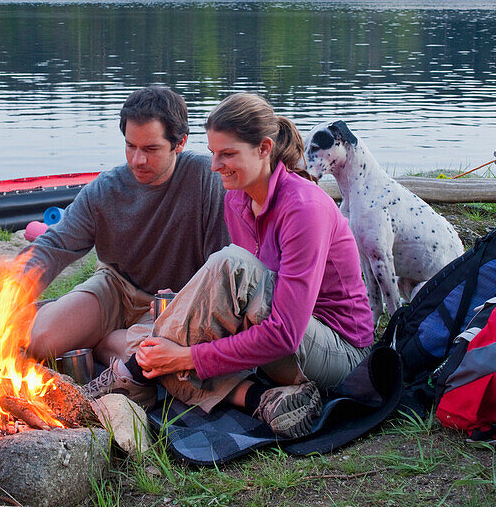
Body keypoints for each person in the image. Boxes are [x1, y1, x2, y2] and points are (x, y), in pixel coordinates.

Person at [84, 93, 374, 439]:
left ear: (264, 149)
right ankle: (259, 399)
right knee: (155, 339)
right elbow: (240, 292)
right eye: (212, 153)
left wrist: (186, 357)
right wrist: (187, 305)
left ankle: (134, 375)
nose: (214, 165)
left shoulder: (303, 208)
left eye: (228, 154)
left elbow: (283, 333)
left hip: (337, 352)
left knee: (188, 326)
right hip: (278, 339)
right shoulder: (237, 199)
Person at [22, 86, 230, 365]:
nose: (137, 160)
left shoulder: (206, 179)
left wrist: (186, 301)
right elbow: (55, 245)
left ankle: (107, 343)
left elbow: (223, 265)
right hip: (116, 288)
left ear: (179, 143)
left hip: (178, 302)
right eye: (130, 146)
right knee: (41, 341)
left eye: (150, 149)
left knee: (148, 356)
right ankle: (82, 327)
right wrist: (14, 285)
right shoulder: (105, 189)